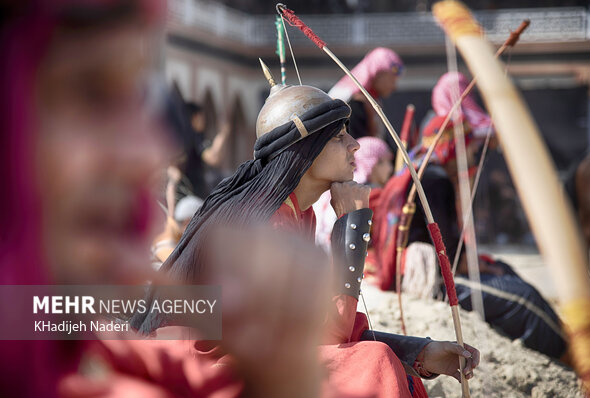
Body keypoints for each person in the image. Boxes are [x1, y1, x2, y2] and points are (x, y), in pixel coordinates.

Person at [0, 0, 334, 397]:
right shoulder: (263, 218)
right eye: (91, 93)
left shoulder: (43, 317)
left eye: (134, 99)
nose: (149, 151)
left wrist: (281, 362)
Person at [133, 74, 480, 397]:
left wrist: (419, 351)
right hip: (210, 369)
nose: (355, 145)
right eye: (339, 136)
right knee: (375, 362)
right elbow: (325, 333)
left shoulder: (299, 213)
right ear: (307, 150)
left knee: (384, 361)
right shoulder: (264, 221)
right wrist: (351, 227)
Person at [369, 73, 568, 360]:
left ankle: (560, 341)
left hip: (430, 268)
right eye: (470, 148)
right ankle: (565, 354)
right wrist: (482, 267)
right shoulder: (435, 180)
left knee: (504, 270)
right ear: (454, 149)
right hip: (431, 280)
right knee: (523, 298)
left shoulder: (423, 169)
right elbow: (450, 255)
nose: (474, 155)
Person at [315, 136, 393, 253]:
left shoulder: (340, 186)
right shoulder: (369, 193)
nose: (390, 168)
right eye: (387, 162)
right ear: (375, 163)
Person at [329, 47, 403, 139]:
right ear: (378, 73)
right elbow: (359, 144)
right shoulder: (354, 103)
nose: (394, 87)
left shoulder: (370, 101)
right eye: (392, 79)